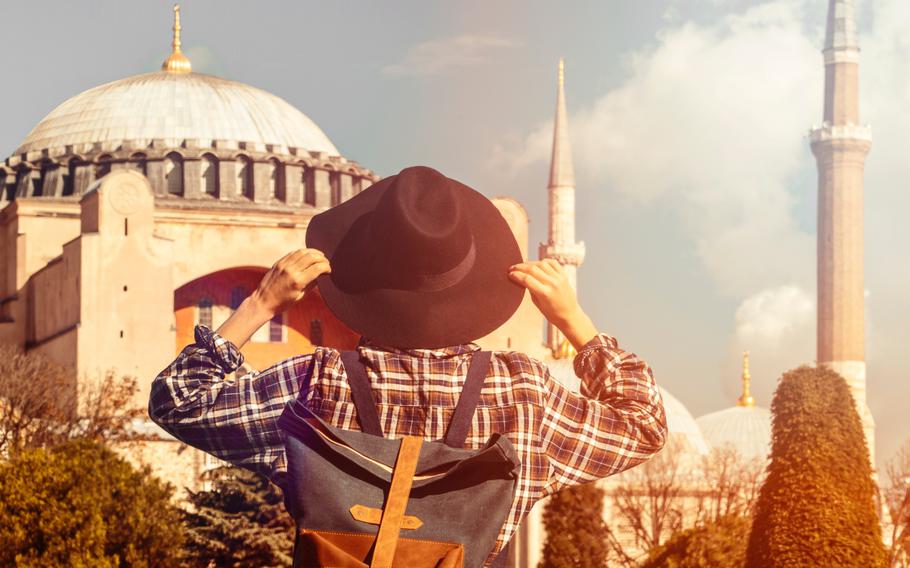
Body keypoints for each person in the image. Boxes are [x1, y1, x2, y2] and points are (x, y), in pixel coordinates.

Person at [149, 165, 667, 566]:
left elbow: (177, 401)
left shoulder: (315, 381)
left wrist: (261, 303)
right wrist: (574, 321)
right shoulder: (522, 392)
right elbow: (643, 425)